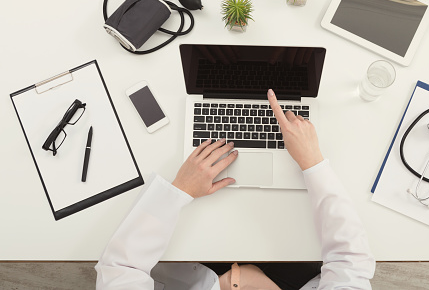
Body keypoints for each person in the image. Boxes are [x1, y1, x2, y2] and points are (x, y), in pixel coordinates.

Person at [95, 89, 376, 290]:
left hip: (203, 278)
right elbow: (350, 262)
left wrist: (179, 190)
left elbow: (120, 270)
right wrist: (312, 162)